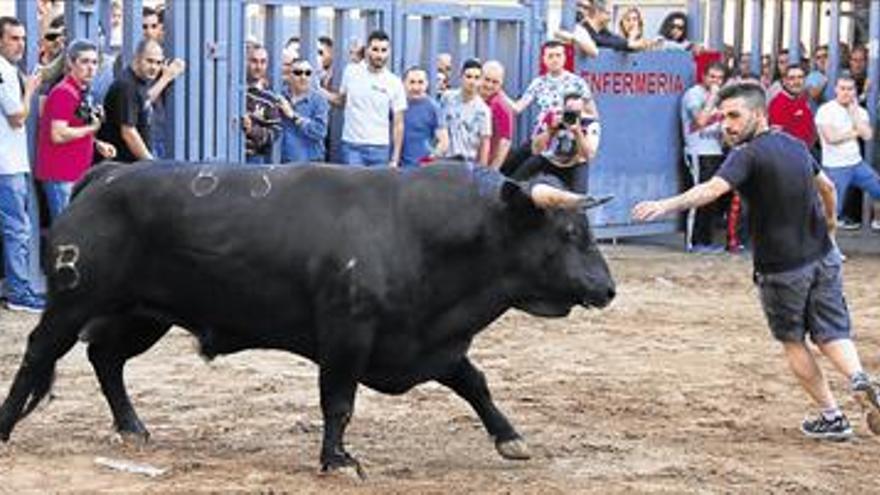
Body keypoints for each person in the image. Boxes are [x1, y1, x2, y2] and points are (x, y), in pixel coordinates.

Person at [632, 81, 880, 442]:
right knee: (831, 333)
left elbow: (712, 190)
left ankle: (833, 416)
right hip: (823, 257)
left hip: (781, 270)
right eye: (722, 117)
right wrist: (829, 227)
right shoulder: (795, 145)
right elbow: (827, 187)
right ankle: (860, 378)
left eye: (734, 116)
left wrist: (665, 205)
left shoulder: (745, 155)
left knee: (794, 341)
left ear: (759, 114)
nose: (726, 125)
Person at [36, 40, 116, 221]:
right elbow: (58, 134)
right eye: (84, 62)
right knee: (66, 228)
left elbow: (72, 128)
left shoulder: (78, 90)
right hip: (61, 174)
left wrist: (96, 144)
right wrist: (91, 129)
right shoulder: (64, 92)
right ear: (71, 64)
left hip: (73, 173)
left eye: (94, 62)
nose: (91, 68)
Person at [0, 17, 45, 312]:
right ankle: (19, 293)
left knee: (15, 227)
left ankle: (16, 287)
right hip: (7, 164)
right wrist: (30, 89)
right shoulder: (4, 73)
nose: (21, 44)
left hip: (11, 162)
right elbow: (17, 117)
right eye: (14, 38)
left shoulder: (9, 71)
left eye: (23, 38)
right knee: (17, 228)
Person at [327, 30, 406, 167]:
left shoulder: (394, 82)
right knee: (353, 188)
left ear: (389, 52)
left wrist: (395, 159)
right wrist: (319, 91)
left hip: (380, 147)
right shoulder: (351, 71)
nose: (379, 55)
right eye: (375, 49)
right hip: (352, 146)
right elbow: (342, 101)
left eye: (383, 50)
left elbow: (398, 123)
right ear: (367, 50)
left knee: (378, 189)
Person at [814, 74, 880, 229]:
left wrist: (854, 114)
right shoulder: (826, 110)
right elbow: (831, 138)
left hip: (857, 164)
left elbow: (868, 135)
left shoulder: (859, 111)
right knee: (831, 212)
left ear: (855, 91)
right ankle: (819, 247)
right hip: (835, 167)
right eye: (842, 88)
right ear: (836, 89)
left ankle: (877, 221)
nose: (846, 93)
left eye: (850, 89)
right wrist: (856, 131)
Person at [681, 62, 728, 252]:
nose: (716, 81)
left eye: (719, 78)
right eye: (712, 77)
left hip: (715, 150)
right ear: (704, 77)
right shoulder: (694, 94)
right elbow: (700, 120)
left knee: (711, 197)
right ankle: (693, 241)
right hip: (698, 151)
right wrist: (713, 98)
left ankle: (706, 241)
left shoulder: (721, 98)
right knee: (697, 196)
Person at [512, 92, 600, 194]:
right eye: (569, 111)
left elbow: (588, 155)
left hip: (575, 164)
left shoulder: (590, 124)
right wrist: (550, 131)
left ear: (583, 111)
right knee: (516, 181)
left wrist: (578, 132)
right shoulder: (553, 117)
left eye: (577, 112)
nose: (573, 116)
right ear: (563, 109)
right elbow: (535, 150)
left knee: (579, 203)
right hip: (551, 160)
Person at [97, 38, 163, 163]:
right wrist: (150, 163)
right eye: (149, 61)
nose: (154, 67)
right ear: (137, 58)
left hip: (130, 167)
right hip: (122, 168)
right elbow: (128, 132)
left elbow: (143, 105)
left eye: (158, 63)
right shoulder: (127, 86)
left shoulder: (140, 82)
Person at [555, 0, 653, 57]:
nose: (611, 13)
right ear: (597, 12)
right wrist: (629, 43)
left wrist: (631, 42)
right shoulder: (581, 28)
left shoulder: (603, 31)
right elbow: (599, 41)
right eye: (608, 11)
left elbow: (613, 39)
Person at [440, 59, 492, 166]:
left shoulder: (483, 110)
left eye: (476, 78)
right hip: (445, 160)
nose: (472, 81)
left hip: (467, 162)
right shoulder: (447, 98)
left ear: (481, 81)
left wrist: (482, 170)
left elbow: (485, 142)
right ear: (461, 77)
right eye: (468, 76)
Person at [278, 59, 328, 163]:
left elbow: (320, 131)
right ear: (289, 76)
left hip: (311, 163)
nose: (303, 77)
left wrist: (293, 116)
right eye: (298, 73)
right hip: (284, 162)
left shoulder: (319, 100)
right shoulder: (280, 97)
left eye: (308, 73)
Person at [242, 43, 282, 164]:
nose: (258, 66)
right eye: (254, 61)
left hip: (253, 160)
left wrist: (251, 129)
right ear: (245, 61)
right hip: (226, 155)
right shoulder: (232, 91)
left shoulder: (269, 99)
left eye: (263, 62)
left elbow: (275, 133)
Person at [400, 66, 447, 167]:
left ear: (427, 84)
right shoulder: (398, 105)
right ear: (403, 83)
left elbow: (444, 142)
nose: (416, 87)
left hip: (422, 170)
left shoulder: (433, 108)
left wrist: (430, 159)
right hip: (398, 168)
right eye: (412, 82)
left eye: (420, 82)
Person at [768, 64, 817, 150]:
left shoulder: (803, 99)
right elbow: (777, 139)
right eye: (792, 78)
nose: (797, 82)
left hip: (807, 153)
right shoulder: (778, 104)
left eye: (800, 77)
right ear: (784, 81)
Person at [480, 60, 514, 169]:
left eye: (495, 82)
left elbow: (505, 142)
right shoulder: (470, 97)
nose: (489, 85)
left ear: (501, 83)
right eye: (487, 79)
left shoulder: (502, 106)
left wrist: (492, 171)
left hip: (486, 163)